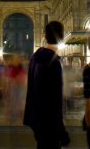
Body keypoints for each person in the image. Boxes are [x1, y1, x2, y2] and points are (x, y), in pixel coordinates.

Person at [24, 21, 70, 149]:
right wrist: (61, 130)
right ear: (61, 37)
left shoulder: (35, 58)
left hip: (37, 120)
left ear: (45, 36)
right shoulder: (53, 63)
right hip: (50, 124)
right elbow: (54, 100)